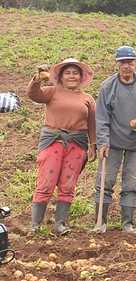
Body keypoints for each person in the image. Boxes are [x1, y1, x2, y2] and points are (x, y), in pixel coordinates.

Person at [92, 46, 136, 234]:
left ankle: (127, 223)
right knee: (105, 181)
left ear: (135, 63)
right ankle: (100, 222)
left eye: (130, 62)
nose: (126, 66)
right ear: (117, 64)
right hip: (112, 143)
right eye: (123, 62)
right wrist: (103, 142)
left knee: (131, 183)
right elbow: (102, 117)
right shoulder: (108, 86)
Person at [26, 58, 96, 235]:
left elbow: (92, 124)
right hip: (53, 141)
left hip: (77, 144)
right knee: (46, 182)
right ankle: (35, 225)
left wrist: (93, 145)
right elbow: (34, 95)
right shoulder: (52, 91)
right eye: (68, 73)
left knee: (68, 184)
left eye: (75, 73)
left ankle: (60, 224)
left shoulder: (87, 99)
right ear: (61, 76)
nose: (72, 76)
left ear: (81, 77)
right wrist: (37, 79)